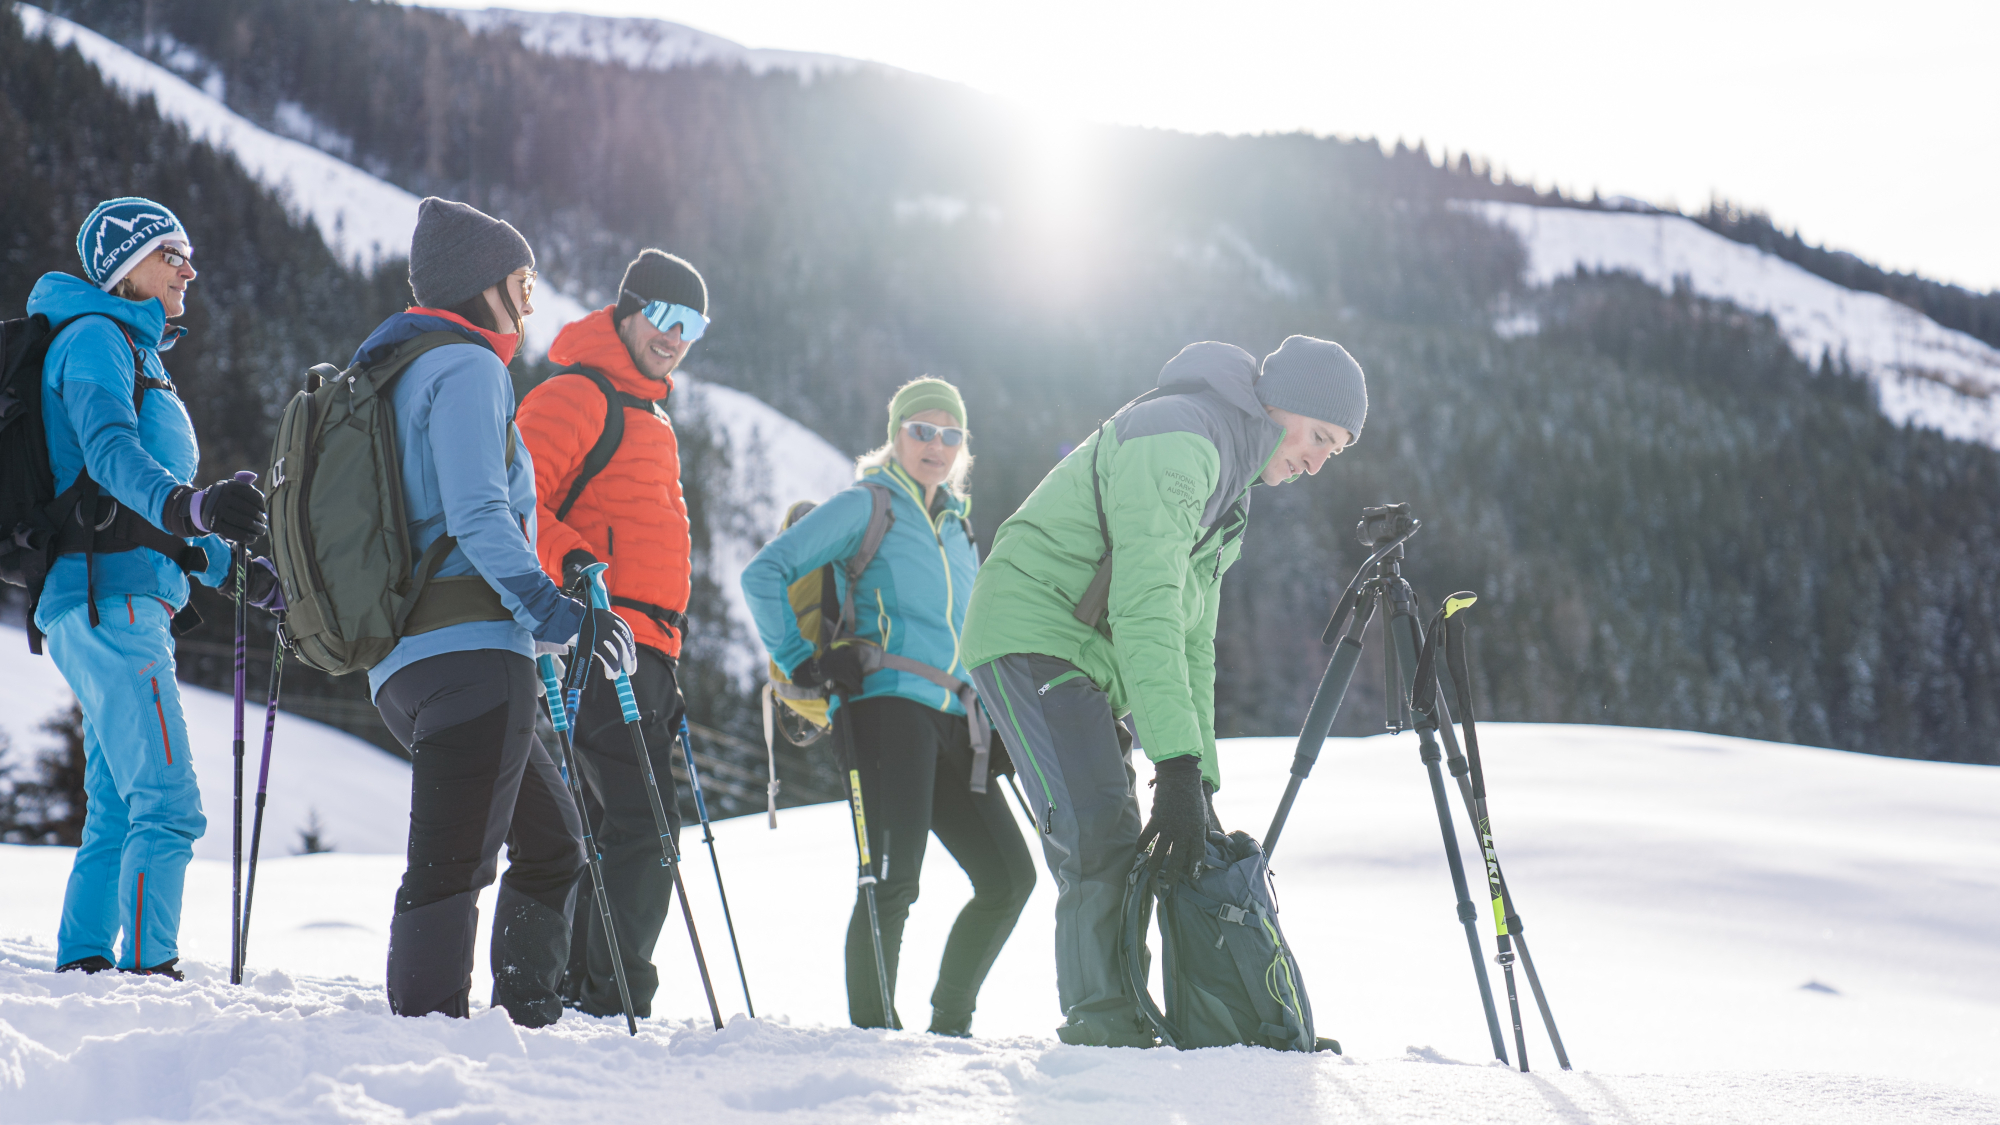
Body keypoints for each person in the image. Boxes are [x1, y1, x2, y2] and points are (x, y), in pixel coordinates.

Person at [960, 336, 1366, 1047]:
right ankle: (1105, 1025)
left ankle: (1168, 1018)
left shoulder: (1230, 495)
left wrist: (1197, 779)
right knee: (1098, 829)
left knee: (1153, 840)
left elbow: (1191, 645)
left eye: (1335, 450)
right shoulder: (1179, 439)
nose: (1319, 460)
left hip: (1082, 652)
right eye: (1320, 437)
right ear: (1283, 404)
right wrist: (1171, 762)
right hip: (1033, 628)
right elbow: (1145, 604)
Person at [357, 197, 630, 1027]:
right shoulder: (470, 368)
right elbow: (479, 513)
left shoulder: (395, 371)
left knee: (553, 838)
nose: (530, 300)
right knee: (451, 863)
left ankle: (527, 1024)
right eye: (523, 281)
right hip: (473, 652)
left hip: (403, 660)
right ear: (483, 286)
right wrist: (554, 613)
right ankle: (428, 1035)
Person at [741, 378, 1035, 1035]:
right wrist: (804, 661)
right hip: (883, 710)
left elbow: (973, 638)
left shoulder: (960, 530)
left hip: (958, 719)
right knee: (892, 882)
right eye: (921, 430)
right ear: (895, 436)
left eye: (950, 434)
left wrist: (1000, 717)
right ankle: (875, 1037)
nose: (935, 444)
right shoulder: (868, 503)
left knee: (1009, 877)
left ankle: (950, 1023)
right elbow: (763, 572)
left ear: (963, 448)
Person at [32, 197, 264, 980]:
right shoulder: (95, 337)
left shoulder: (136, 351)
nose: (189, 269)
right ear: (125, 268)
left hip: (117, 595)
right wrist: (191, 504)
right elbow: (108, 452)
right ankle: (149, 974)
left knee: (121, 807)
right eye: (172, 254)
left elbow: (153, 515)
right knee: (169, 801)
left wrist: (236, 572)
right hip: (110, 600)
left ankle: (90, 968)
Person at [514, 249, 705, 1018]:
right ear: (626, 310)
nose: (675, 335)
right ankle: (609, 994)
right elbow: (512, 500)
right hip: (595, 637)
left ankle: (587, 988)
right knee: (642, 824)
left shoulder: (649, 412)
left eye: (693, 325)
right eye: (663, 316)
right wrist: (578, 567)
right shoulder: (577, 393)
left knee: (616, 822)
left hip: (647, 647)